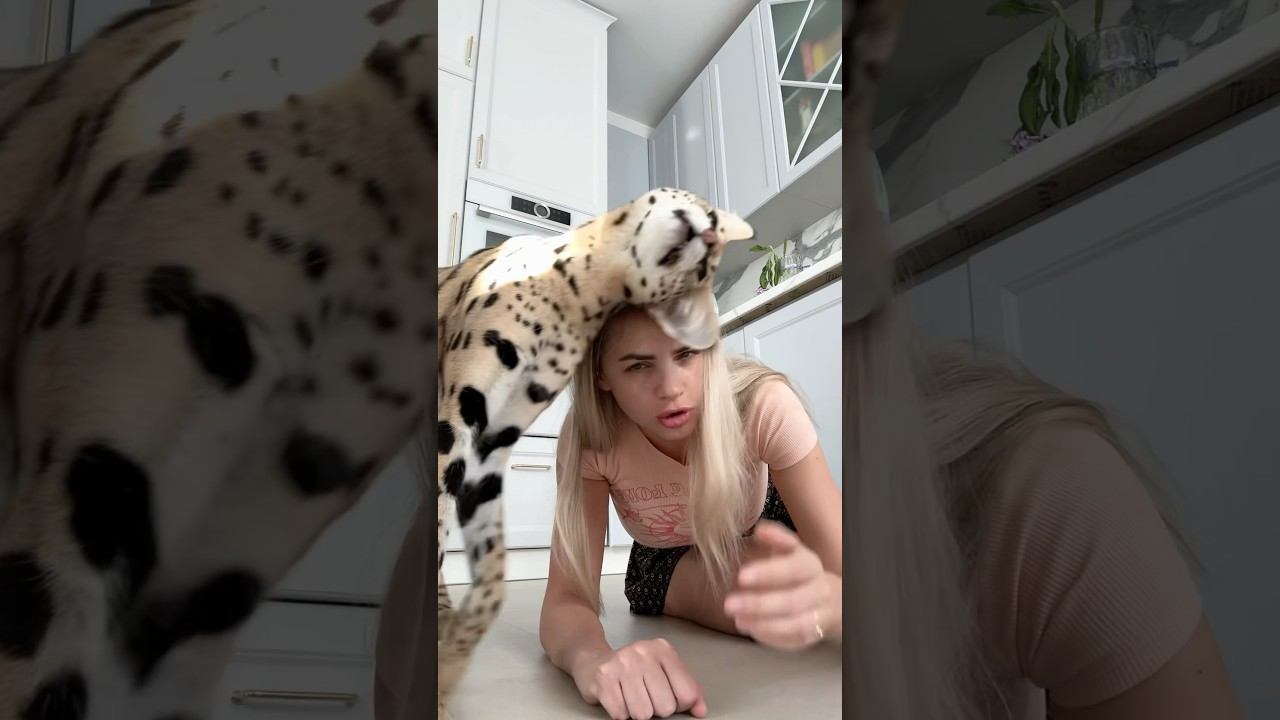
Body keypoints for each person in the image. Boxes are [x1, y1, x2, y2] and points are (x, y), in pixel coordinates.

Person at [538, 304, 843, 720]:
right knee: (761, 602)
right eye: (639, 365)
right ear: (600, 374)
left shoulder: (762, 404)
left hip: (767, 519)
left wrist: (835, 604)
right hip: (663, 552)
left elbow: (845, 571)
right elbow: (566, 599)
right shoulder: (589, 437)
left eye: (687, 353)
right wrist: (593, 660)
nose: (670, 388)